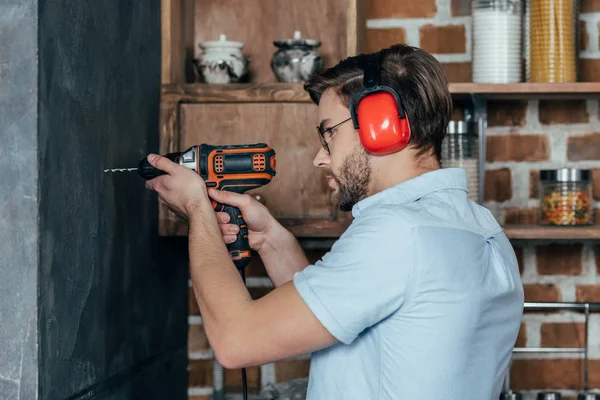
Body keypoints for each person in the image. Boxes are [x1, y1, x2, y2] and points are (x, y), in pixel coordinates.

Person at [144, 44, 524, 399]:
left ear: (381, 124)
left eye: (328, 133)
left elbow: (235, 340)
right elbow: (340, 311)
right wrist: (273, 241)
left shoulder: (396, 234)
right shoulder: (483, 229)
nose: (320, 158)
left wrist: (197, 211)